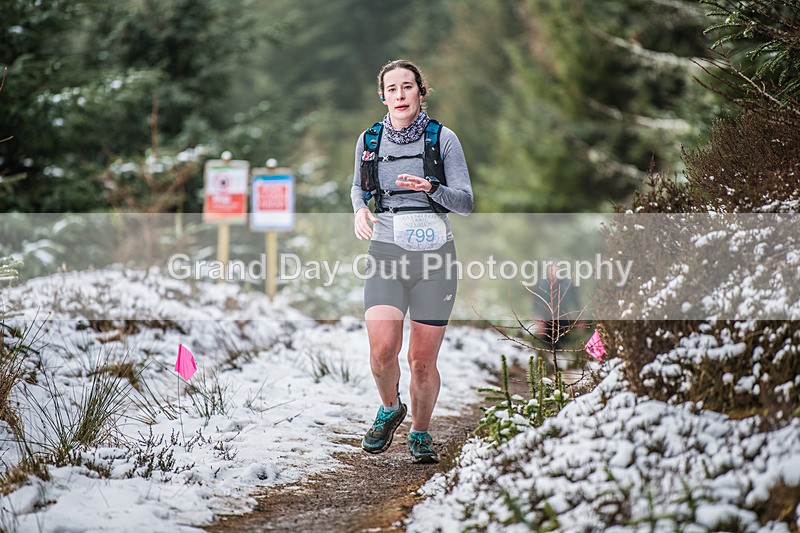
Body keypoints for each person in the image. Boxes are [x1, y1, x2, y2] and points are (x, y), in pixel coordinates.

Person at [351, 59, 473, 463]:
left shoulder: (444, 139)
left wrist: (431, 187)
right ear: (381, 95)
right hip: (386, 252)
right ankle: (390, 408)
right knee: (382, 349)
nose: (400, 95)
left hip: (435, 259)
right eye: (392, 89)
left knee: (421, 361)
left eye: (408, 87)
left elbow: (467, 203)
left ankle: (420, 433)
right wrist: (359, 210)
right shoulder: (369, 140)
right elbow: (357, 188)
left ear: (421, 91)